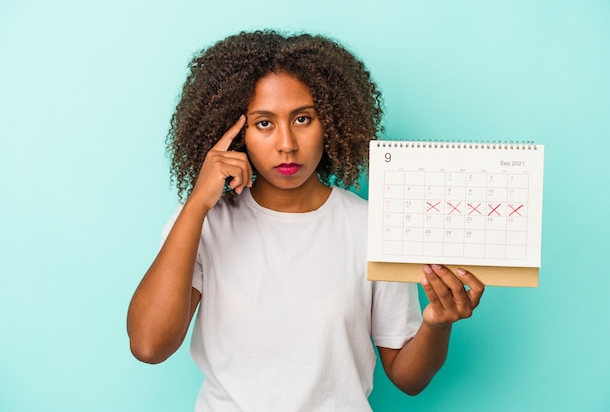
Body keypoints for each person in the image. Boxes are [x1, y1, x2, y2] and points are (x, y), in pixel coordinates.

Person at [127, 30, 484, 412]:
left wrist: (437, 323)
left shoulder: (371, 228)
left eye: (302, 118)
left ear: (331, 120)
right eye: (264, 123)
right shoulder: (205, 223)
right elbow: (149, 346)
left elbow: (407, 378)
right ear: (236, 134)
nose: (286, 143)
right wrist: (197, 204)